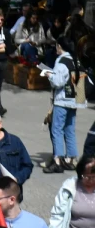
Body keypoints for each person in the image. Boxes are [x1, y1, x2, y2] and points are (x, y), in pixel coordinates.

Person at [41, 36, 80, 174]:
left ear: (59, 46)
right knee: (70, 130)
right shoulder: (74, 60)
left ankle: (57, 160)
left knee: (57, 130)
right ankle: (71, 159)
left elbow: (57, 82)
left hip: (62, 100)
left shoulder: (61, 61)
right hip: (74, 100)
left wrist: (48, 74)